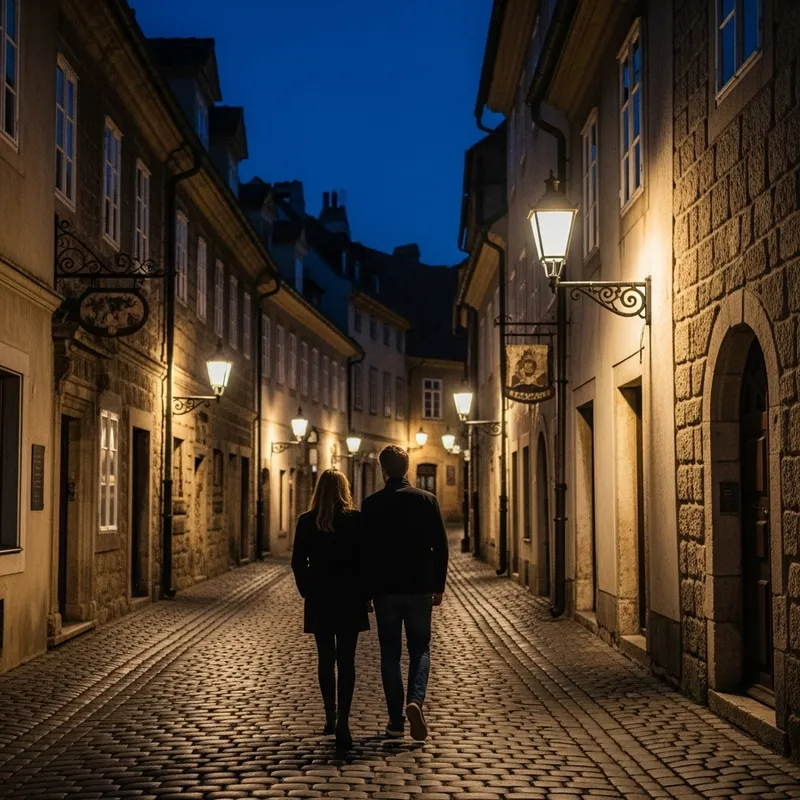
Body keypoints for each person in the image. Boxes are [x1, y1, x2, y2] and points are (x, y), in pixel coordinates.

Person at [361, 445, 449, 742]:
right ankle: (415, 700)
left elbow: (365, 553)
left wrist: (366, 591)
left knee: (389, 654)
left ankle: (395, 722)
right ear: (407, 469)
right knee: (420, 649)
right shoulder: (428, 500)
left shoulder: (371, 505)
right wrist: (439, 585)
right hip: (420, 587)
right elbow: (440, 546)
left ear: (383, 470)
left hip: (385, 590)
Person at [291, 469, 369, 750]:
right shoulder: (355, 520)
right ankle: (344, 721)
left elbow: (298, 561)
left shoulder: (306, 522)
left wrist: (306, 590)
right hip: (350, 596)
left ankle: (330, 715)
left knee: (326, 657)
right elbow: (365, 561)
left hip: (320, 596)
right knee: (347, 660)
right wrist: (366, 594)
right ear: (344, 490)